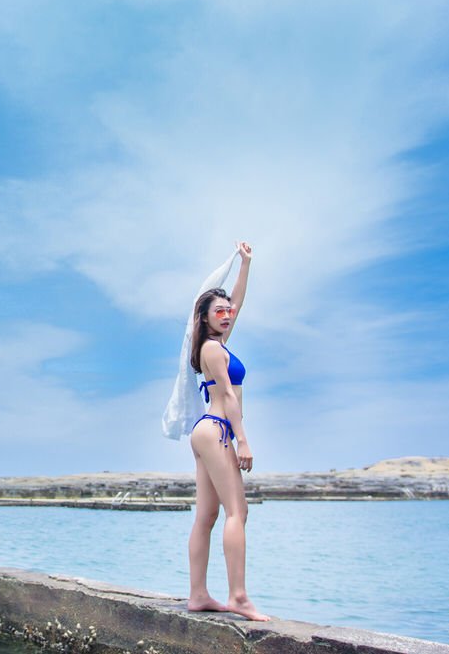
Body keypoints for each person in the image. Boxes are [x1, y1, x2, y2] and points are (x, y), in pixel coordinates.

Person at [185, 241, 270, 622]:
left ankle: (199, 595)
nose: (227, 314)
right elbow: (230, 399)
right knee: (239, 511)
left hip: (205, 430)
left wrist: (245, 264)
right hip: (218, 429)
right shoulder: (215, 352)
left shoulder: (212, 344)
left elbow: (237, 300)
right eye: (218, 311)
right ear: (203, 318)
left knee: (206, 515)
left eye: (228, 312)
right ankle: (238, 596)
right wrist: (244, 441)